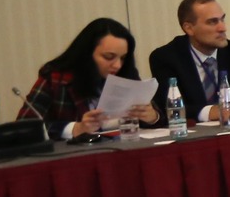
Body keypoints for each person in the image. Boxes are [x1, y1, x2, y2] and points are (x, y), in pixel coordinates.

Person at [20, 18, 161, 139]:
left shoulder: (126, 74)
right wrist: (74, 128)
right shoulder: (56, 78)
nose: (117, 65)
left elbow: (158, 118)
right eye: (109, 57)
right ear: (87, 53)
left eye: (123, 58)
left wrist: (152, 117)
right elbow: (25, 127)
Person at [147, 0, 230, 123]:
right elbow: (167, 107)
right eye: (212, 22)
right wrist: (218, 111)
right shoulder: (165, 57)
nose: (223, 28)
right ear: (189, 28)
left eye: (222, 19)